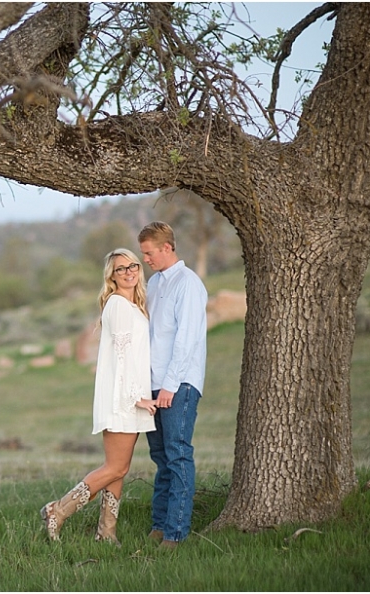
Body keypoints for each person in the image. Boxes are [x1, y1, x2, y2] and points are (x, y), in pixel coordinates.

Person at [40, 248, 157, 546]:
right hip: (123, 398)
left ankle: (106, 532)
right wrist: (137, 397)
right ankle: (58, 510)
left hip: (132, 397)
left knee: (119, 468)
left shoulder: (133, 306)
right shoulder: (117, 305)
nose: (129, 271)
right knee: (115, 468)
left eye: (133, 265)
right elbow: (122, 358)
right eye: (121, 268)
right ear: (111, 276)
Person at [138, 221, 207, 550]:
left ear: (167, 247)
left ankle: (176, 533)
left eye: (149, 253)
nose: (146, 259)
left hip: (179, 385)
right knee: (161, 457)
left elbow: (187, 339)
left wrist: (170, 385)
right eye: (144, 254)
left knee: (178, 455)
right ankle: (159, 525)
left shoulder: (188, 284)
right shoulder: (153, 284)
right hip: (153, 385)